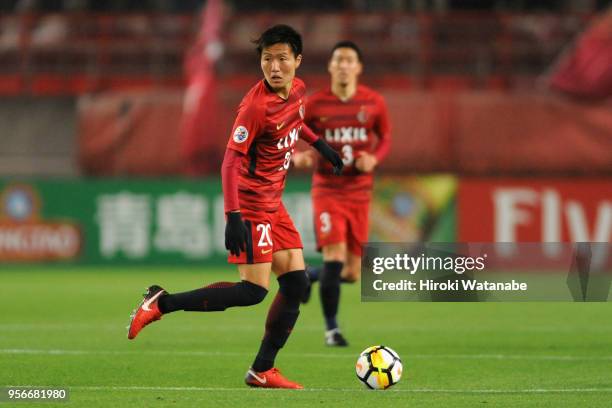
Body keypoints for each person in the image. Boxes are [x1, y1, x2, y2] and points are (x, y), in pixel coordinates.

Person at [126, 24, 343, 389]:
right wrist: (233, 216)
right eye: (267, 59)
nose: (274, 67)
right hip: (253, 204)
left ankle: (262, 370)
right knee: (253, 292)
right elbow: (230, 162)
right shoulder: (254, 107)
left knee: (295, 284)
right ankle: (162, 303)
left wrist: (320, 146)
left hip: (276, 204)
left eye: (281, 59)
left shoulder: (299, 90)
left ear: (297, 61)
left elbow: (296, 121)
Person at [292, 41, 391, 347]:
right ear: (331, 66)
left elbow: (384, 136)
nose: (344, 65)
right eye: (339, 60)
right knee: (335, 257)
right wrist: (298, 155)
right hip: (328, 189)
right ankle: (332, 330)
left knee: (350, 273)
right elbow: (289, 130)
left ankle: (309, 275)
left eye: (350, 60)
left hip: (360, 192)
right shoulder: (316, 103)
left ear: (358, 67)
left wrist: (375, 158)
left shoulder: (374, 102)